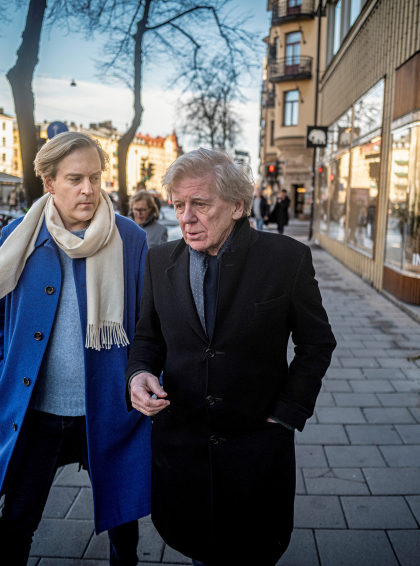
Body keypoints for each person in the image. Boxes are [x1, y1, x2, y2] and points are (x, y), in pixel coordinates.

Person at [0, 132, 151, 566]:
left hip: (109, 411)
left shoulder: (129, 238)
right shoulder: (20, 236)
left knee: (123, 526)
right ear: (49, 182)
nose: (89, 189)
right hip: (37, 413)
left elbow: (149, 325)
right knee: (17, 521)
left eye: (95, 177)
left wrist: (143, 380)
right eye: (75, 178)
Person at [126, 148, 336, 566]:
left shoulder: (286, 259)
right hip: (182, 450)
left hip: (255, 451)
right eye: (179, 204)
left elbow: (317, 344)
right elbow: (147, 338)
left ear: (237, 205)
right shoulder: (158, 260)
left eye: (200, 204)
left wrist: (286, 413)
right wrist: (138, 374)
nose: (186, 217)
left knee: (253, 553)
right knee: (198, 549)